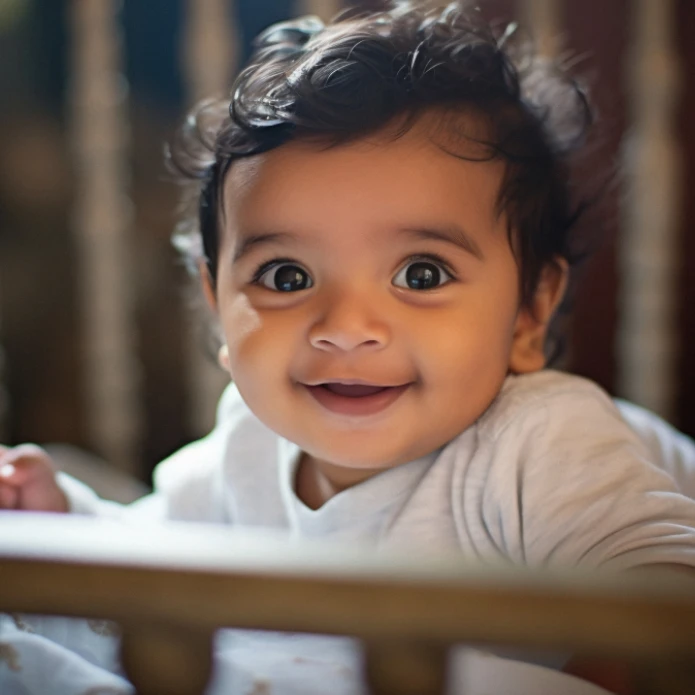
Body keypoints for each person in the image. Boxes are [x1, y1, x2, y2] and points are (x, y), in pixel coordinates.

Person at [2, 2, 695, 694]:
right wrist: (66, 516)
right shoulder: (246, 441)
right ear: (218, 310)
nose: (345, 325)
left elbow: (661, 607)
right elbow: (159, 551)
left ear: (527, 314)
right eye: (287, 277)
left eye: (420, 274)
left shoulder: (541, 440)